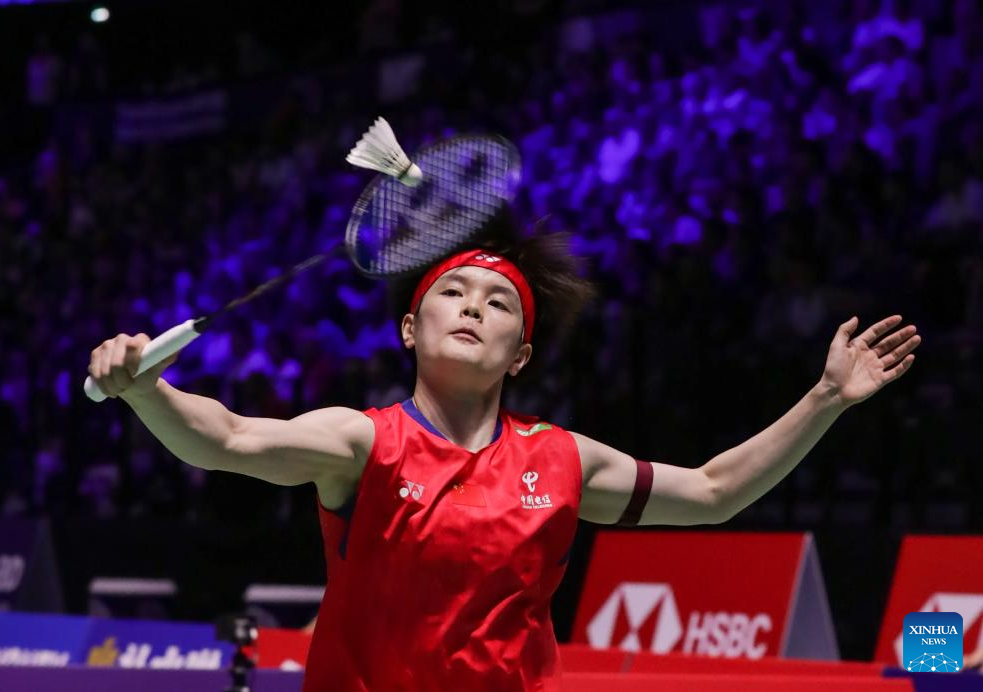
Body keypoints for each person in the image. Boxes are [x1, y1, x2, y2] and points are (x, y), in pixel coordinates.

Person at [87, 231, 921, 691]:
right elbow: (229, 438)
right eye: (452, 293)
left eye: (498, 304)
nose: (473, 308)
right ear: (410, 330)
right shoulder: (365, 444)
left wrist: (825, 399)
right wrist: (146, 391)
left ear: (520, 353)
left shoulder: (561, 460)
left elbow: (711, 492)